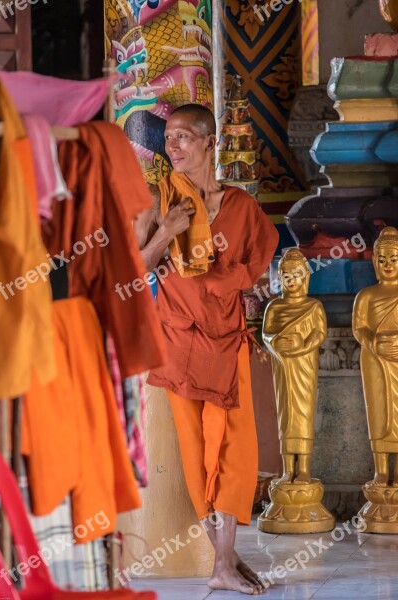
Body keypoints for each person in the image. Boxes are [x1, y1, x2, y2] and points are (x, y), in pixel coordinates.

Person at [134, 103, 279, 595]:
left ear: (209, 143)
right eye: (169, 139)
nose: (172, 147)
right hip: (177, 339)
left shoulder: (241, 205)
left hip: (227, 339)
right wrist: (170, 232)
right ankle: (223, 561)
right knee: (196, 453)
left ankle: (225, 558)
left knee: (237, 448)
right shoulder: (159, 202)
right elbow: (134, 270)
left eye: (182, 138)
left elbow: (258, 262)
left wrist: (226, 279)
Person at [262, 248, 327, 485]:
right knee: (286, 415)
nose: (291, 280)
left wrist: (301, 345)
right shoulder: (275, 307)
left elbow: (319, 333)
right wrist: (277, 342)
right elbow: (266, 335)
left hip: (304, 367)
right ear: (280, 277)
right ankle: (288, 469)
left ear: (306, 277)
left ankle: (305, 469)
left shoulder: (313, 306)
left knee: (303, 413)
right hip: (283, 367)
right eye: (286, 275)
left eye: (297, 274)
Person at [353, 227, 398, 486]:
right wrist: (374, 343)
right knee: (378, 411)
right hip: (373, 358)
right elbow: (359, 328)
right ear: (374, 262)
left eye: (393, 259)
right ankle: (380, 470)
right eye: (382, 260)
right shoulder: (367, 296)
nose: (388, 264)